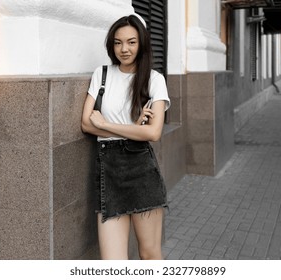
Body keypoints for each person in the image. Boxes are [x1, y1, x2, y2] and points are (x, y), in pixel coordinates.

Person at [81, 14, 170, 260]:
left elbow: (153, 132)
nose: (124, 49)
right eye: (118, 43)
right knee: (113, 263)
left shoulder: (154, 79)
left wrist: (107, 124)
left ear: (141, 43)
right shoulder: (102, 74)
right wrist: (133, 128)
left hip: (141, 169)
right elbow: (87, 125)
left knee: (150, 255)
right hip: (108, 171)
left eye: (131, 42)